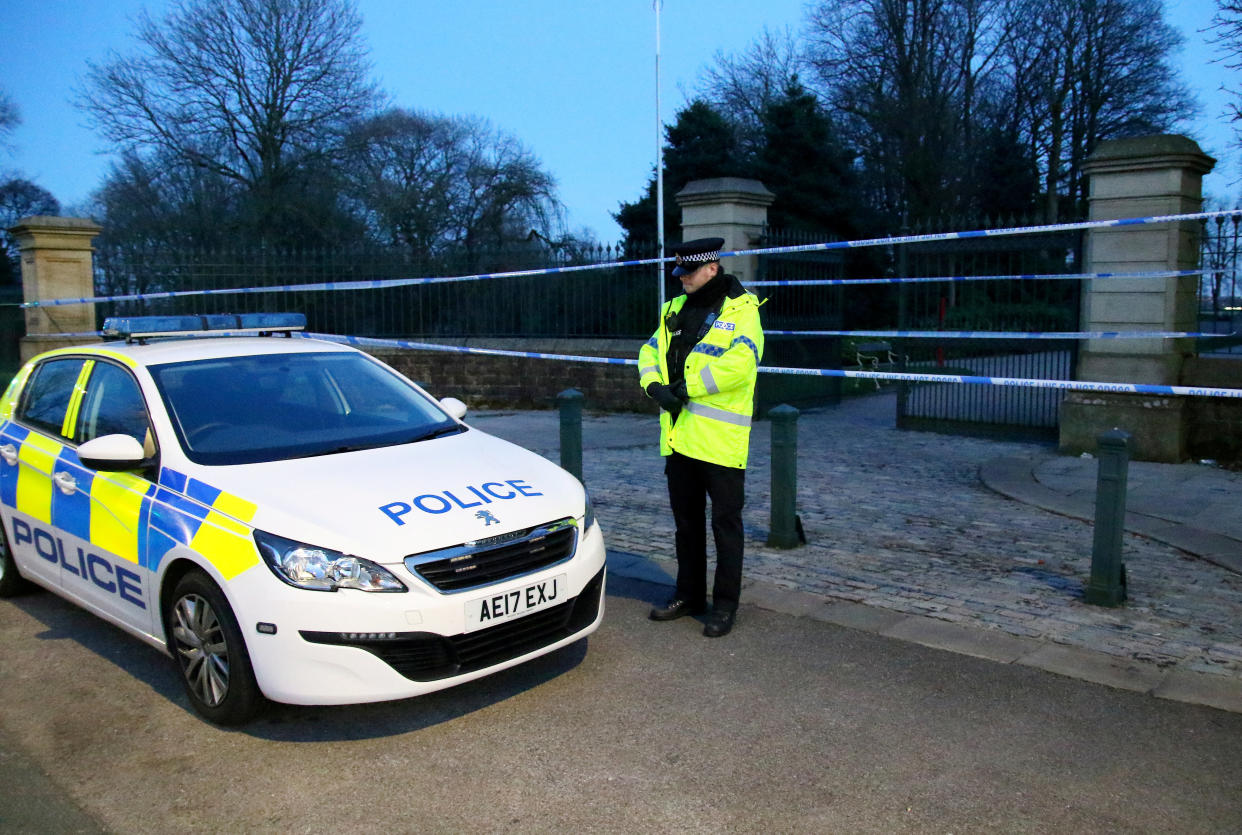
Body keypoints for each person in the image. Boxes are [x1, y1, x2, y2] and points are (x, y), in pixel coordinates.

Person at [638, 237, 764, 637]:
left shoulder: (743, 310)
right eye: (679, 272)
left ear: (712, 268)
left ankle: (725, 605)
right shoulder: (672, 309)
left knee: (726, 527)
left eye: (689, 272)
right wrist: (654, 386)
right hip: (679, 439)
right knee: (686, 525)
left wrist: (687, 387)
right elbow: (648, 352)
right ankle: (688, 595)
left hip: (721, 443)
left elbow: (741, 365)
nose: (683, 279)